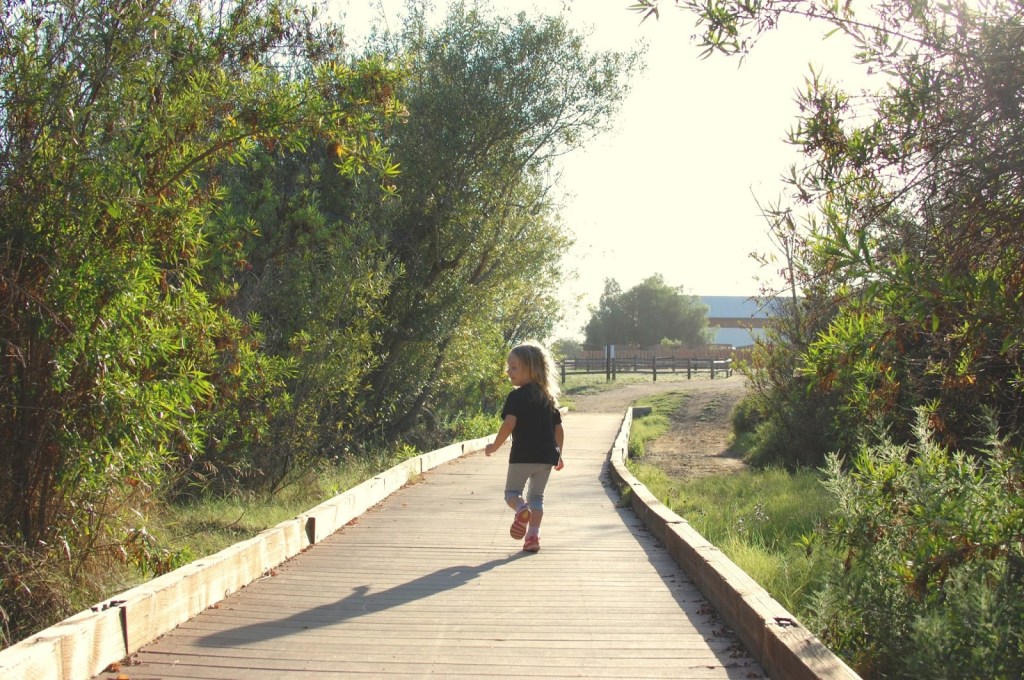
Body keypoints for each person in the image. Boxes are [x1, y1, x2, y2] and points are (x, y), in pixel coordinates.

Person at [484, 341, 565, 553]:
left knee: (512, 492)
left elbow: (509, 424)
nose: (508, 371)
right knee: (537, 498)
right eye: (509, 367)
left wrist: (494, 446)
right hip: (546, 457)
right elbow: (558, 430)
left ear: (530, 369)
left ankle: (520, 509)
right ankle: (532, 537)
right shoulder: (548, 399)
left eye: (514, 367)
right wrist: (559, 454)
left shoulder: (516, 397)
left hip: (522, 455)